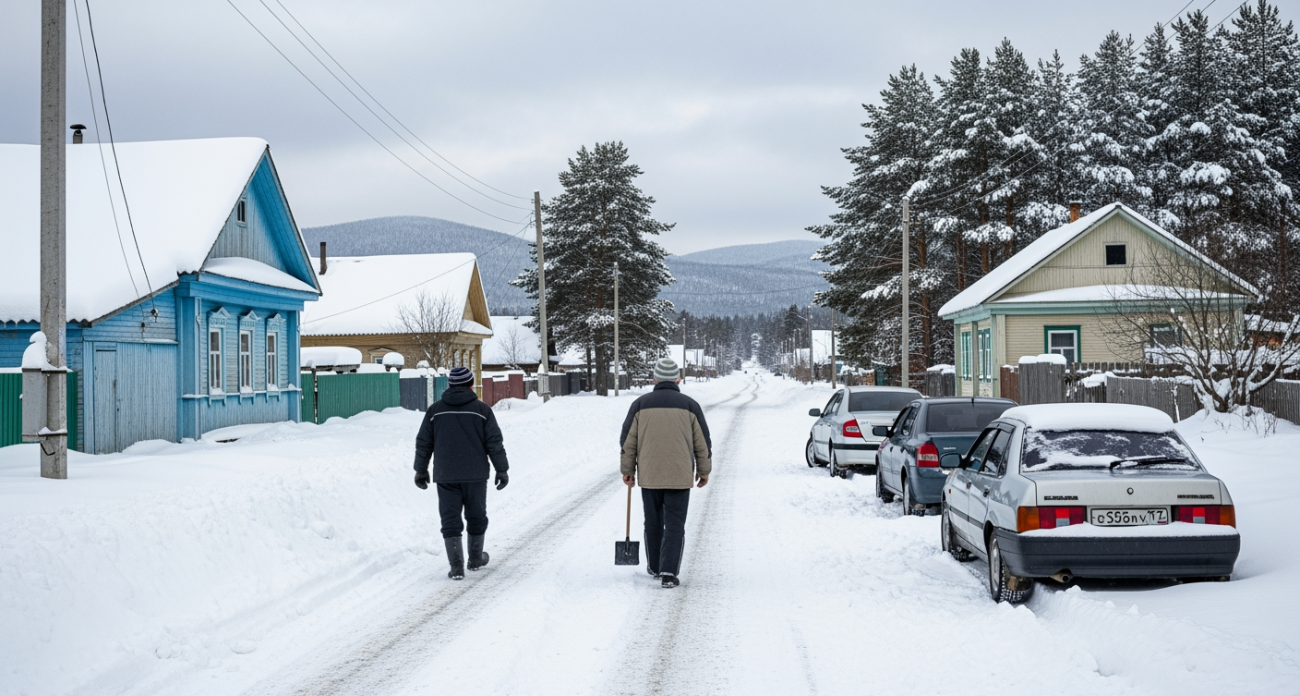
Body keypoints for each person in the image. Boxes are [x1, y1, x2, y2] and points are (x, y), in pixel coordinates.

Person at [619, 357, 712, 588]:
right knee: (674, 524)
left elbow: (628, 441)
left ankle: (655, 566)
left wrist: (628, 470)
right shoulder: (690, 405)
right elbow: (703, 443)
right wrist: (704, 470)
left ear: (655, 379)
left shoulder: (640, 405)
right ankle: (669, 572)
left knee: (653, 520)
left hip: (650, 476)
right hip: (680, 477)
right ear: (678, 379)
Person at [413, 366, 509, 580]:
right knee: (476, 516)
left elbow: (423, 443)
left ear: (450, 384)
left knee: (450, 519)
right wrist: (501, 469)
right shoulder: (482, 410)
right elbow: (494, 442)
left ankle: (456, 567)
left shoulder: (435, 411)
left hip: (445, 475)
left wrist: (421, 469)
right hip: (475, 475)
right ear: (470, 384)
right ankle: (475, 559)